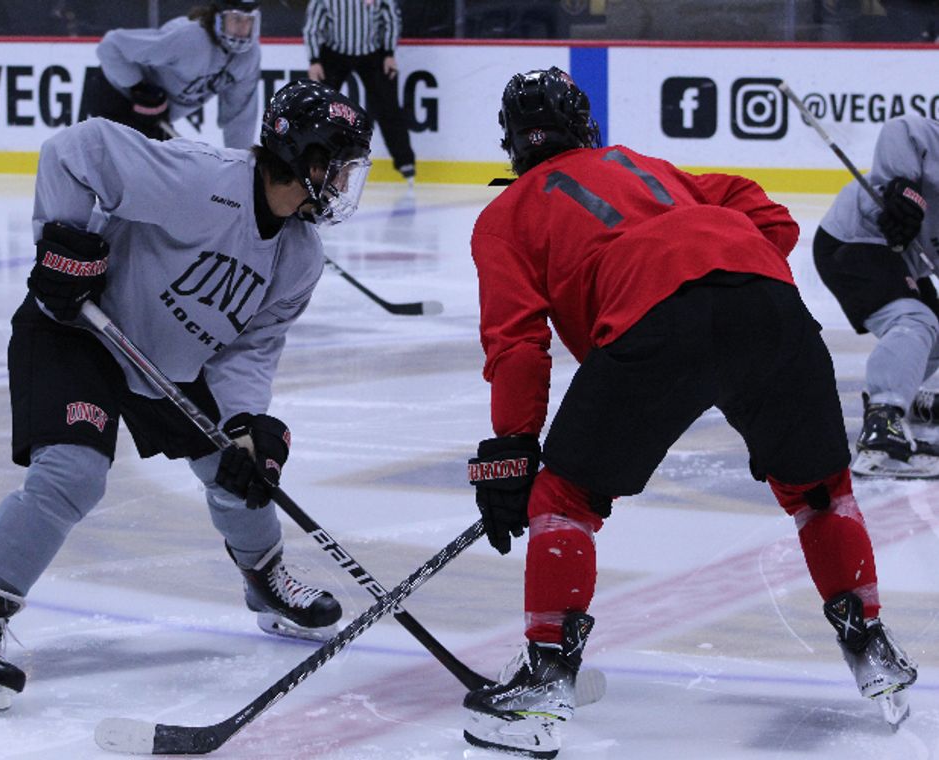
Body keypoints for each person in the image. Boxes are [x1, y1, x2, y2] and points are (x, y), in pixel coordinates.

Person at [463, 67, 918, 757]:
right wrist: (733, 277)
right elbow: (769, 214)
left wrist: (513, 451)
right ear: (585, 126)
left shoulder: (505, 215)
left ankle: (546, 681)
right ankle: (873, 649)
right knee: (818, 486)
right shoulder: (642, 164)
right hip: (764, 298)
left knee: (564, 498)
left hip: (652, 319)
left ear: (511, 144)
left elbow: (519, 344)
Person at [0, 79, 374, 712]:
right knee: (73, 473)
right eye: (342, 165)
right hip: (79, 329)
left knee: (237, 469)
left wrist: (247, 423)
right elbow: (75, 151)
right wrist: (66, 246)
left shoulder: (300, 256)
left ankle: (263, 576)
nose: (346, 182)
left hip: (169, 361)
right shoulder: (201, 180)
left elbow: (249, 348)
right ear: (306, 156)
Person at [813, 115, 939, 479]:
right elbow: (902, 130)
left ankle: (907, 396)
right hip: (853, 240)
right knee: (914, 320)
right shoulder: (929, 139)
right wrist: (899, 186)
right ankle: (883, 428)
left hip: (900, 258)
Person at [80, 0, 261, 145]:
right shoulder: (190, 38)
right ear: (219, 19)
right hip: (114, 95)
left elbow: (239, 117)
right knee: (132, 174)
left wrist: (240, 165)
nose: (241, 28)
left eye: (248, 21)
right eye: (236, 19)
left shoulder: (248, 59)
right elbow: (111, 46)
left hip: (154, 116)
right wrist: (138, 86)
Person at [304, 0, 416, 186]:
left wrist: (389, 53)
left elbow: (390, 18)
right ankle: (312, 159)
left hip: (372, 53)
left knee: (388, 107)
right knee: (319, 109)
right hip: (334, 52)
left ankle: (404, 160)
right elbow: (313, 25)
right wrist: (315, 59)